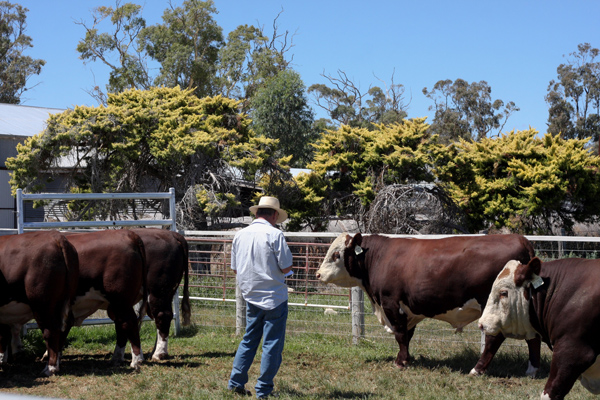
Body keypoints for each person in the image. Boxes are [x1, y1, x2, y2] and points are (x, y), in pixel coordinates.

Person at [228, 196, 293, 399]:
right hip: (274, 296)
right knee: (272, 343)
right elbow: (286, 267)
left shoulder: (240, 235)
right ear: (274, 215)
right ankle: (263, 389)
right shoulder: (275, 235)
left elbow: (236, 268)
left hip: (251, 295)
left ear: (257, 213)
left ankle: (235, 382)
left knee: (249, 340)